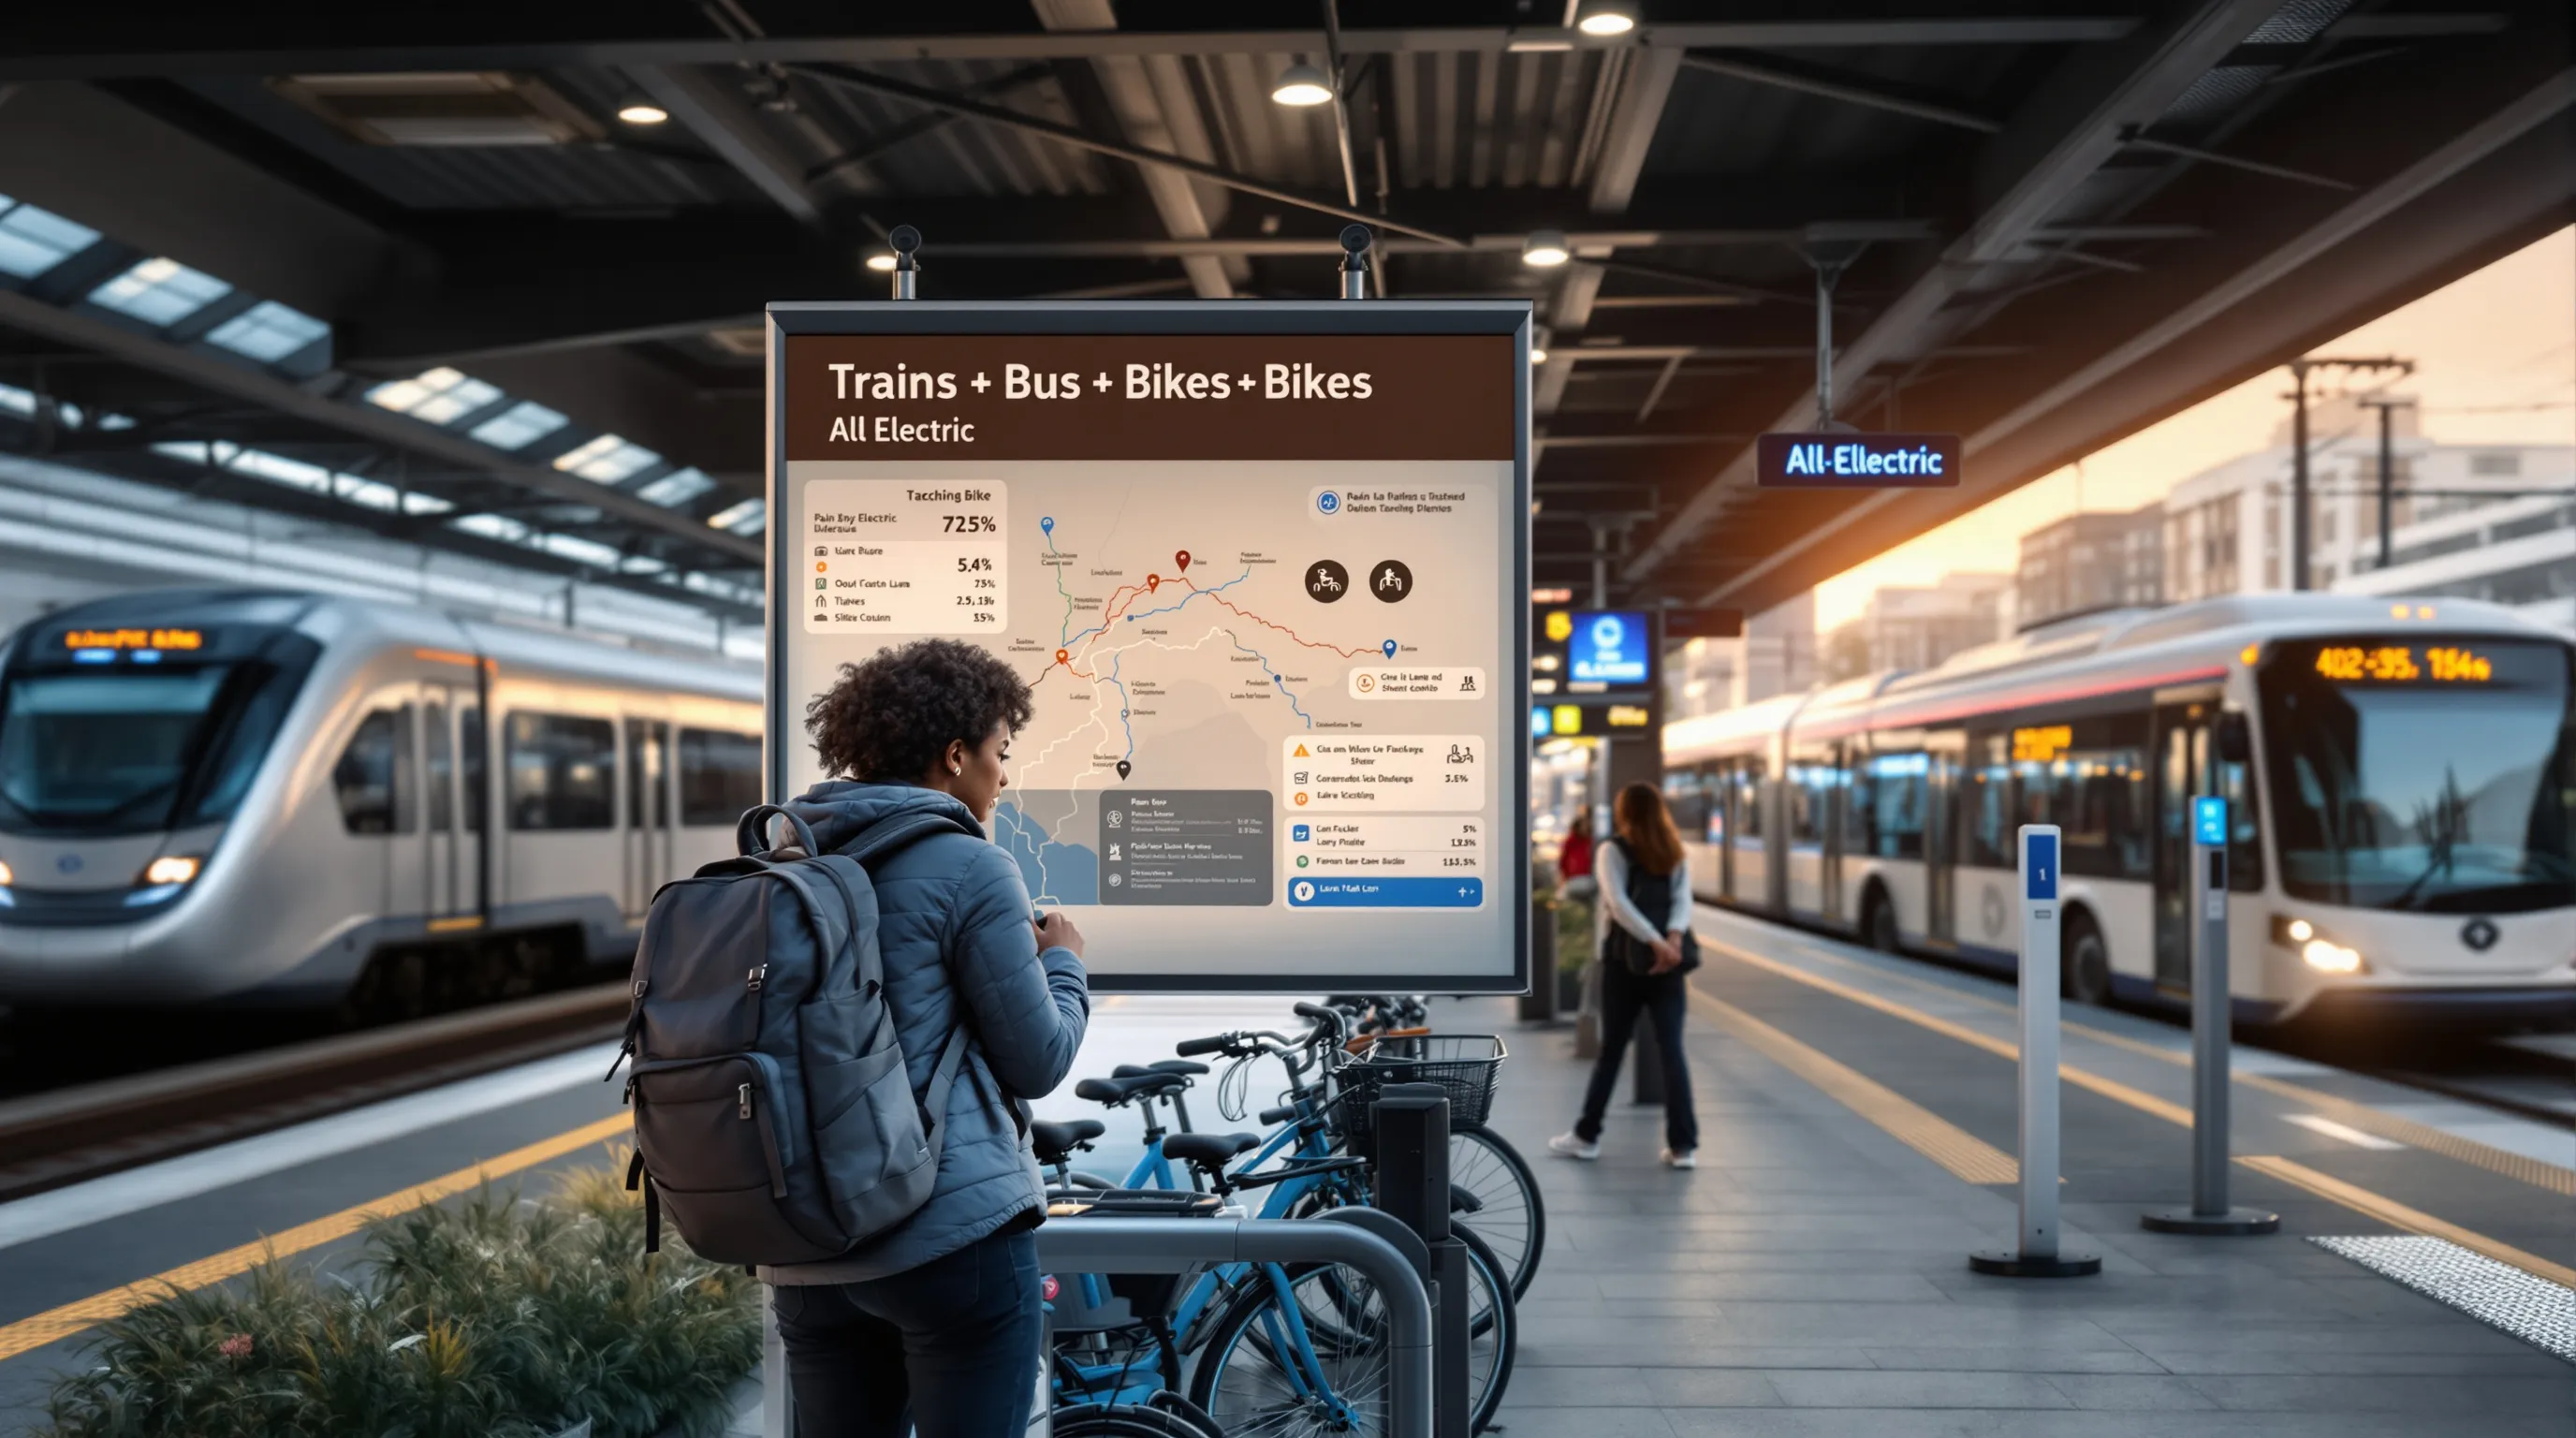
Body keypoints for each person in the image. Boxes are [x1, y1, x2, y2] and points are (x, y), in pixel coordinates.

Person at [766, 638, 1090, 1437]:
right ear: (954, 756)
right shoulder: (970, 867)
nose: (1003, 776)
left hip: (809, 1248)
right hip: (950, 1242)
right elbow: (1037, 1058)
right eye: (998, 753)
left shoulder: (786, 859)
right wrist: (1066, 965)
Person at [1550, 782, 1699, 1168]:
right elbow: (1683, 899)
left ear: (1624, 813)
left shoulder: (1611, 850)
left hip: (1623, 963)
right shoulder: (1674, 850)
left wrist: (1653, 942)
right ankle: (1683, 1148)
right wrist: (1672, 940)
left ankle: (1586, 1137)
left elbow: (1618, 905)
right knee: (1673, 1051)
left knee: (1612, 1051)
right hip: (1669, 966)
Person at [1558, 810, 1596, 899]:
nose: (1586, 828)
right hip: (1573, 879)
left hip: (1588, 878)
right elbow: (1563, 861)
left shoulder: (1590, 841)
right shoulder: (1571, 841)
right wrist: (1564, 877)